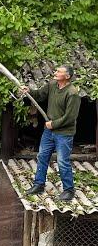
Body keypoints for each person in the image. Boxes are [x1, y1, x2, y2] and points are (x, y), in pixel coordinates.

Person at [19, 65, 81, 201]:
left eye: (59, 72)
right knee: (42, 156)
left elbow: (70, 117)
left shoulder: (72, 93)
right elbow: (39, 95)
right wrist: (29, 91)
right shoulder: (52, 84)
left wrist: (53, 124)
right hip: (49, 131)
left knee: (62, 161)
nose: (56, 73)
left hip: (64, 133)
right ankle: (39, 184)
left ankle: (69, 190)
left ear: (67, 76)